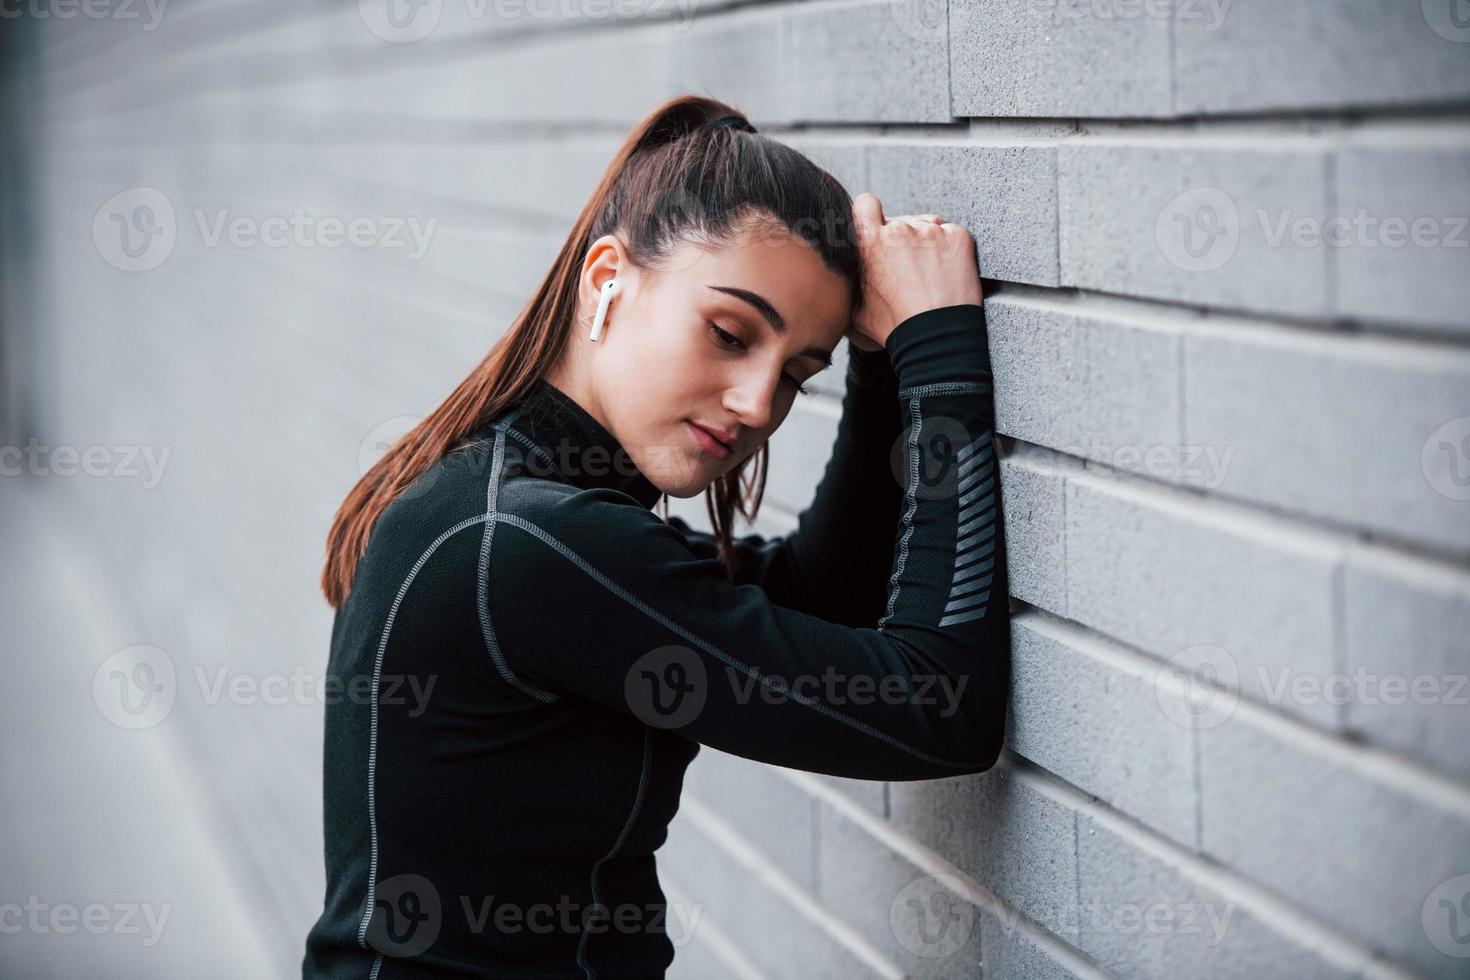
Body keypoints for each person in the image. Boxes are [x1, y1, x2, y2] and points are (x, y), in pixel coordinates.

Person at [304, 95, 1009, 979]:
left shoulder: (491, 502)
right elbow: (938, 712)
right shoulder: (533, 545)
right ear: (607, 281)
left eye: (796, 373)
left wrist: (878, 366)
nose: (757, 403)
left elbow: (816, 598)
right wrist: (942, 352)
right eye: (728, 333)